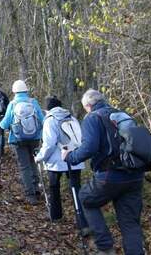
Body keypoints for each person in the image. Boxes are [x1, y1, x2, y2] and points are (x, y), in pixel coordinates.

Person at [62, 89, 145, 255]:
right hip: (135, 175)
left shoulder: (93, 118)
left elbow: (89, 148)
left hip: (110, 174)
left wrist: (70, 156)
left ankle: (105, 247)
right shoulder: (122, 115)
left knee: (86, 198)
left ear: (87, 105)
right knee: (130, 223)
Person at [34, 96, 89, 233]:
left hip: (56, 162)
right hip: (75, 159)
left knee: (54, 188)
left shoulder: (50, 120)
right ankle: (83, 223)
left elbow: (49, 144)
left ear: (47, 109)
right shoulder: (72, 117)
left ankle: (56, 216)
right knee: (76, 189)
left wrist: (39, 157)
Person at [0, 80, 45, 205]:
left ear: (14, 91)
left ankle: (30, 195)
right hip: (35, 139)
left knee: (24, 166)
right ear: (26, 90)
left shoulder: (13, 104)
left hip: (18, 140)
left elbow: (5, 123)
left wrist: (0, 124)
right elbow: (42, 119)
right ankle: (36, 188)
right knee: (33, 163)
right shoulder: (33, 102)